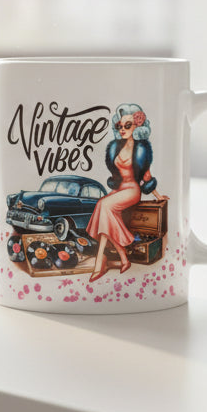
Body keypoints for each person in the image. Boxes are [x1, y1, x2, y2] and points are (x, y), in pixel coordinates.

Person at [87, 103, 162, 282]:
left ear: (137, 127)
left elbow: (146, 175)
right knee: (101, 205)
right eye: (119, 126)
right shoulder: (115, 147)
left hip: (132, 190)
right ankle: (123, 258)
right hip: (120, 188)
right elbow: (116, 175)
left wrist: (158, 196)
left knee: (104, 205)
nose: (122, 129)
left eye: (127, 125)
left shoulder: (142, 150)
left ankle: (100, 262)